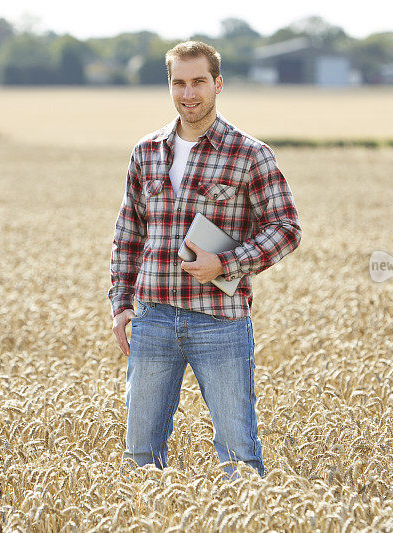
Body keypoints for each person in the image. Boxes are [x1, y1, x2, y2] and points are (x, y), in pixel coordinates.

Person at [109, 41, 301, 478]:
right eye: (179, 82)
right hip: (153, 319)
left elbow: (287, 228)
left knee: (238, 455)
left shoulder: (250, 153)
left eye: (198, 82)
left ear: (218, 84)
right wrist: (121, 305)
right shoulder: (146, 151)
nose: (188, 93)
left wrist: (226, 264)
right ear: (170, 86)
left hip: (219, 320)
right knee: (140, 457)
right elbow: (128, 234)